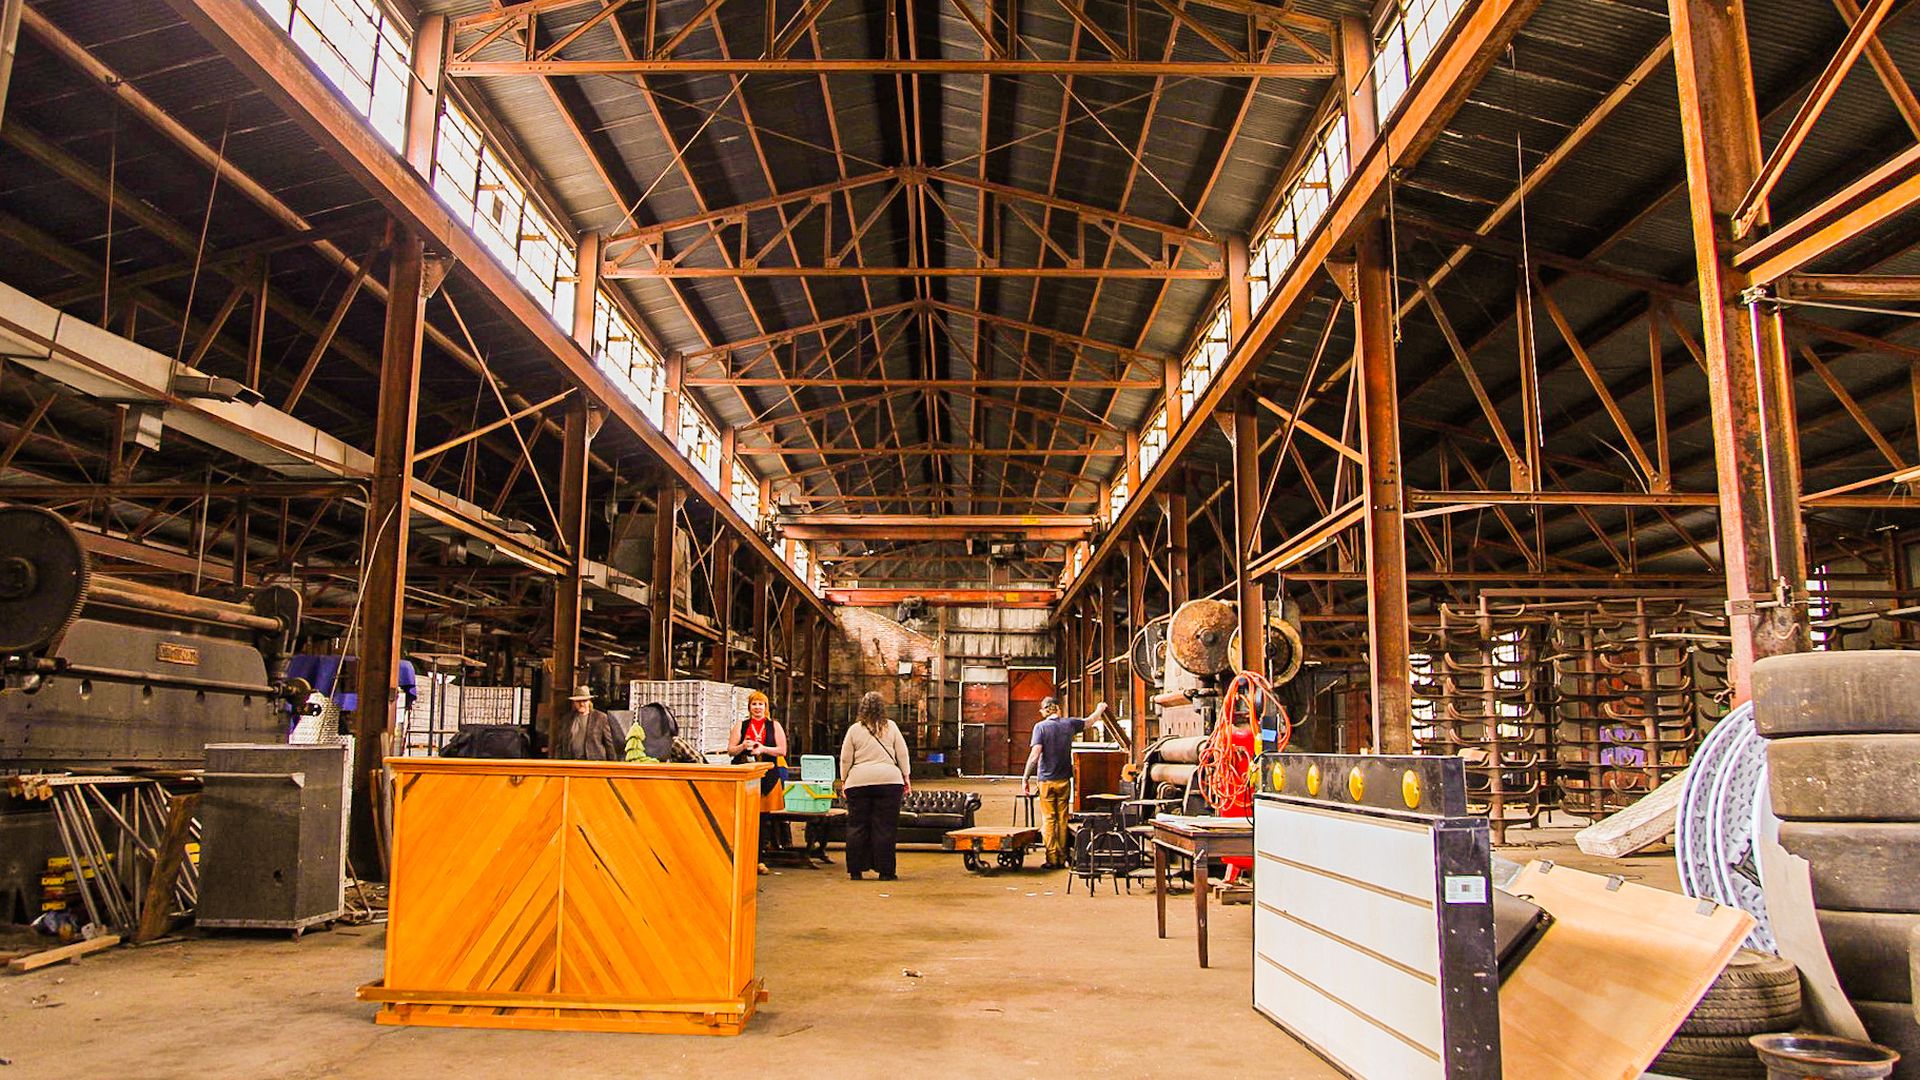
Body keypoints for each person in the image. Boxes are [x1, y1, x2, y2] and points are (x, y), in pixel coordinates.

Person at [1021, 697, 1115, 869]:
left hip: (1046, 781)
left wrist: (1025, 777)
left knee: (1049, 819)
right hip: (1064, 780)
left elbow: (1035, 755)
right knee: (1062, 818)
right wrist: (1100, 709)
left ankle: (1052, 859)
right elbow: (1090, 721)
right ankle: (1063, 856)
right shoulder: (1069, 724)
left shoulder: (1040, 727)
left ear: (1044, 711)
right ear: (1058, 709)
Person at [839, 691, 911, 881]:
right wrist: (906, 777)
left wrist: (844, 780)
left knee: (857, 826)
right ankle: (885, 872)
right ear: (882, 707)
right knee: (885, 827)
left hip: (858, 782)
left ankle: (856, 871)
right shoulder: (891, 727)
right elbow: (902, 754)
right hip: (889, 781)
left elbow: (845, 758)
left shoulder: (854, 730)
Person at [726, 690, 789, 799]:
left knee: (767, 809)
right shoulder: (740, 725)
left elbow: (782, 751)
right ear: (749, 707)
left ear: (766, 707)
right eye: (754, 704)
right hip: (744, 775)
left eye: (761, 704)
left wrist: (763, 749)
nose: (757, 707)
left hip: (769, 775)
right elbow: (731, 751)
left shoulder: (775, 725)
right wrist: (742, 746)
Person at [560, 686, 624, 761]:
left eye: (584, 701)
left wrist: (613, 764)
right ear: (574, 702)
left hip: (594, 763)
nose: (581, 704)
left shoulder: (600, 718)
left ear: (589, 701)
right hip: (571, 763)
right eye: (578, 701)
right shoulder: (567, 719)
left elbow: (609, 745)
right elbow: (561, 744)